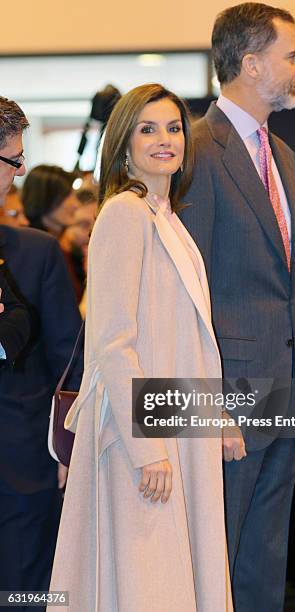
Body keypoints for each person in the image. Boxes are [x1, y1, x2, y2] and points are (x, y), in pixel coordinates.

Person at [50, 83, 233, 612]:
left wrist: (215, 417)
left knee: (172, 581)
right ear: (123, 144)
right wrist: (147, 445)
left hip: (176, 425)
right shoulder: (124, 214)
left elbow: (187, 341)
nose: (164, 139)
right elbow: (112, 342)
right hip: (143, 436)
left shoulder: (167, 218)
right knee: (149, 587)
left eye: (173, 127)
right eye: (146, 128)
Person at [180, 4, 295, 611]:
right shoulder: (195, 149)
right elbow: (187, 297)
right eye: (292, 56)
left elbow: (292, 289)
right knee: (215, 569)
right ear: (251, 62)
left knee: (264, 568)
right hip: (227, 404)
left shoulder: (282, 156)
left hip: (282, 400)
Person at [0, 96, 82, 611]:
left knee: (28, 596)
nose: (22, 170)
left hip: (25, 467)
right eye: (13, 159)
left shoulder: (36, 252)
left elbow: (69, 359)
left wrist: (67, 450)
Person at [22, 164, 79, 237]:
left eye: (74, 195)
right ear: (43, 199)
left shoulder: (65, 240)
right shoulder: (31, 242)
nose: (76, 204)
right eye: (66, 197)